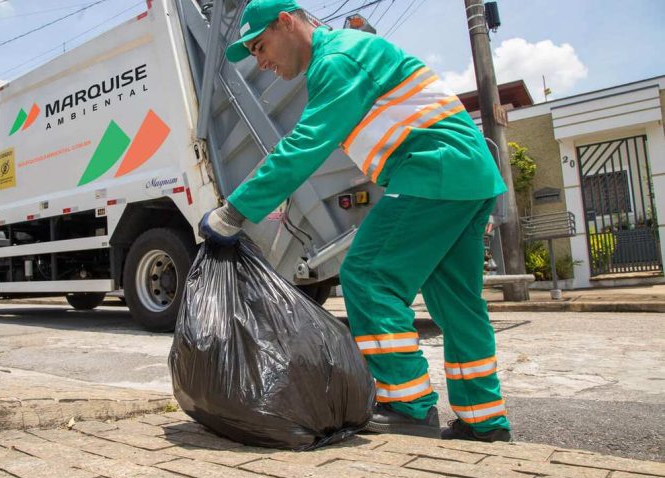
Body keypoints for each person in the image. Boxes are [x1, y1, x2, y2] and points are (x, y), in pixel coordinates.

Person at [199, 0, 511, 442]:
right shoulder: (348, 53)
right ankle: (485, 422)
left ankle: (406, 405)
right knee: (458, 305)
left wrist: (233, 212)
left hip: (433, 170)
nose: (261, 62)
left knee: (367, 275)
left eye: (260, 46)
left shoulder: (337, 60)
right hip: (467, 176)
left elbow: (304, 146)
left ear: (286, 22)